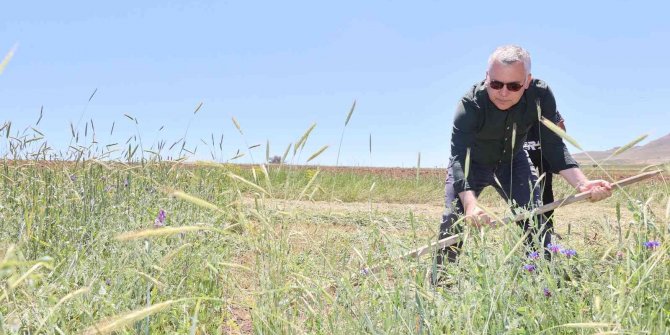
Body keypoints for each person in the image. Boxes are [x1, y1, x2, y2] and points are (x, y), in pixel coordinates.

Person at [436, 45, 612, 270]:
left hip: (513, 162)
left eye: (514, 86)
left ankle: (542, 282)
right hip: (472, 165)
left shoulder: (540, 95)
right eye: (496, 84)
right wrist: (471, 206)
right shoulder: (469, 105)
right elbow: (460, 158)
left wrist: (583, 184)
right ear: (486, 77)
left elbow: (553, 146)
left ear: (527, 81)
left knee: (534, 219)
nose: (503, 92)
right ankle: (442, 284)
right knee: (453, 221)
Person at [524, 110, 566, 240]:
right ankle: (527, 231)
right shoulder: (515, 104)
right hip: (523, 153)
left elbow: (561, 129)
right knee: (523, 190)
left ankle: (548, 229)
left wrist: (552, 141)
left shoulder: (546, 106)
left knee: (546, 189)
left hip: (544, 153)